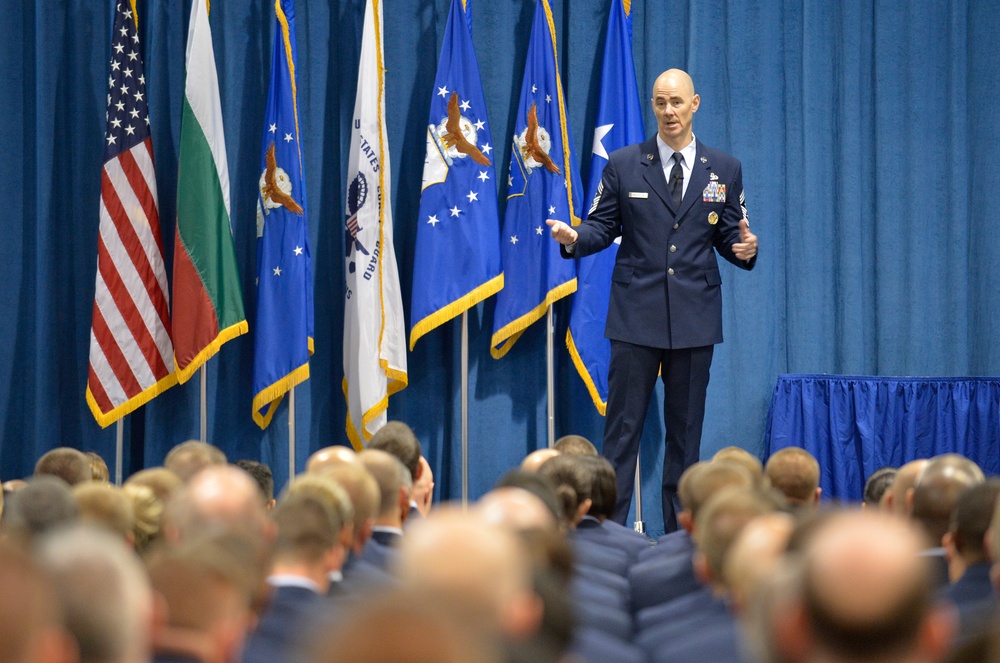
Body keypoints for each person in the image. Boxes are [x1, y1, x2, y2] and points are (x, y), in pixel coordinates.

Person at [547, 68, 758, 531]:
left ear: (695, 103)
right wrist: (573, 237)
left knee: (685, 440)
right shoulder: (624, 163)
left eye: (677, 102)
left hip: (694, 320)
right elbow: (602, 226)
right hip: (635, 318)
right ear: (653, 105)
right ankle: (607, 535)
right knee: (622, 435)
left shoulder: (724, 169)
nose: (669, 111)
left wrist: (745, 250)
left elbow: (728, 236)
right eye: (661, 102)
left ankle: (682, 541)